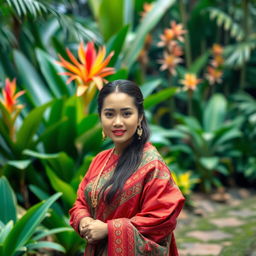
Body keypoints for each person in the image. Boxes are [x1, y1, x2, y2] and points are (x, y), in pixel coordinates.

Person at [69, 79, 185, 256]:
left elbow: (162, 217)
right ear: (100, 117)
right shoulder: (100, 160)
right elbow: (80, 202)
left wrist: (109, 230)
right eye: (109, 114)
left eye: (126, 114)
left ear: (139, 117)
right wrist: (84, 220)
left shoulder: (152, 165)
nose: (117, 122)